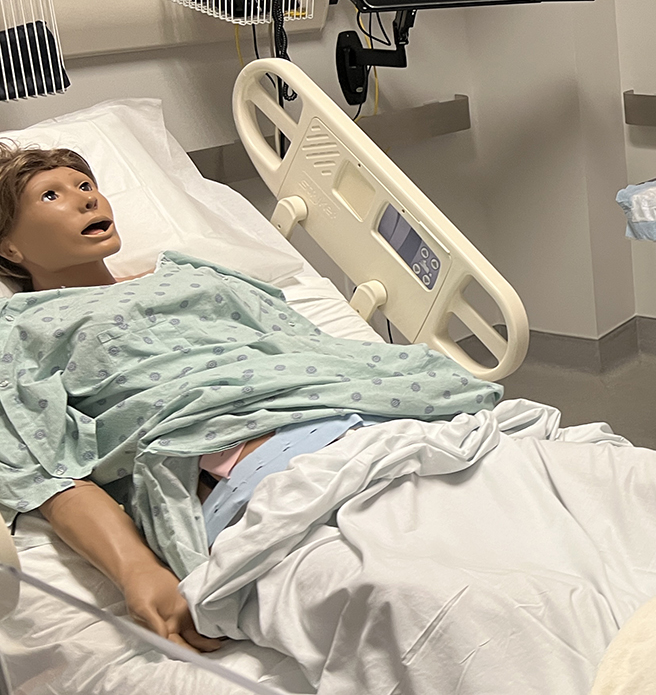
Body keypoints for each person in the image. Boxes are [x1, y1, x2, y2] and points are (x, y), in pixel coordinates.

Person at [0, 144, 500, 651]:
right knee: (440, 600)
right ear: (10, 249)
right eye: (51, 195)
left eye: (86, 185)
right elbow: (43, 469)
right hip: (244, 464)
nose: (87, 200)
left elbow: (310, 348)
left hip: (359, 416)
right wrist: (136, 569)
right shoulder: (23, 332)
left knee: (515, 517)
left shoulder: (197, 275)